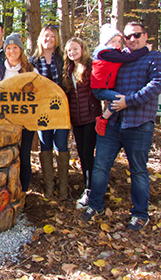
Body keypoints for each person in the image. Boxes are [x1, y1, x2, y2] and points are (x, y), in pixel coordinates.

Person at [80, 22, 161, 231]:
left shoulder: (155, 57)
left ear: (146, 35)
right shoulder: (117, 56)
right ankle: (95, 205)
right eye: (128, 36)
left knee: (138, 171)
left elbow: (157, 84)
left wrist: (129, 101)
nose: (132, 39)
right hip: (112, 123)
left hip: (138, 124)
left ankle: (140, 214)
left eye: (137, 35)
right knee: (100, 166)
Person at [0, 33, 38, 198]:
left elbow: (39, 96)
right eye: (8, 48)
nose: (11, 51)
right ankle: (3, 193)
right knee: (2, 157)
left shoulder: (30, 70)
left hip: (25, 124)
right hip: (2, 124)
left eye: (15, 47)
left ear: (21, 50)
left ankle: (22, 193)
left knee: (23, 157)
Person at [28, 25, 69, 200]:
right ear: (41, 39)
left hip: (61, 109)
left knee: (61, 145)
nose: (49, 39)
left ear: (57, 39)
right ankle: (49, 188)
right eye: (46, 36)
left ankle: (64, 189)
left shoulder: (63, 59)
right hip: (42, 109)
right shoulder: (33, 61)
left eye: (52, 36)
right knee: (45, 145)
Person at [92, 24, 152, 136]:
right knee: (119, 100)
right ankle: (102, 119)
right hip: (100, 89)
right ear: (106, 42)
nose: (117, 44)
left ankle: (103, 118)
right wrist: (145, 49)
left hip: (106, 87)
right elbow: (126, 58)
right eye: (113, 41)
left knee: (119, 100)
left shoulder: (111, 53)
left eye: (119, 41)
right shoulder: (104, 52)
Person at [63, 38, 102, 209]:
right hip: (76, 120)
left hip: (91, 118)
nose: (72, 52)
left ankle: (91, 190)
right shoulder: (68, 69)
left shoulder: (91, 66)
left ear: (82, 49)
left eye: (75, 49)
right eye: (69, 50)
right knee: (82, 154)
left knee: (88, 154)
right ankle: (89, 188)